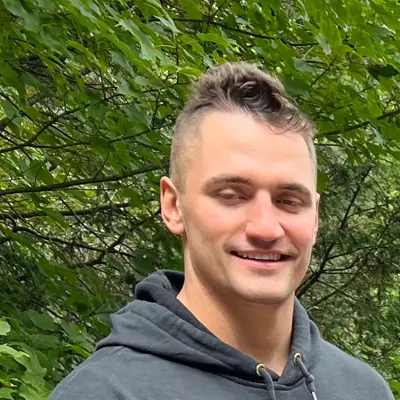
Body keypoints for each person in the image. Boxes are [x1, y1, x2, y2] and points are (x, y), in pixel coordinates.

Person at [49, 62, 394, 400]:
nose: (265, 228)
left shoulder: (363, 390)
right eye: (231, 196)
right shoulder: (103, 392)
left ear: (315, 217)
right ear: (173, 206)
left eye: (289, 201)